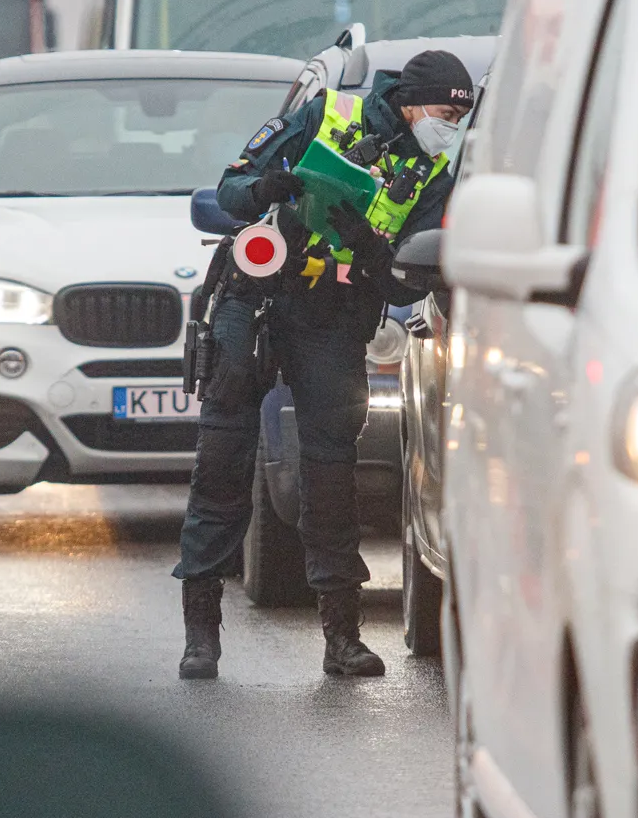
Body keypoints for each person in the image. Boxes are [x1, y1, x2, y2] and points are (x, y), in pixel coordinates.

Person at [172, 50, 475, 680]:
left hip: (334, 316)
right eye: (445, 112)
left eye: (458, 117)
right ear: (412, 100)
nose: (448, 126)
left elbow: (403, 288)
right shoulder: (327, 114)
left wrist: (370, 248)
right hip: (256, 298)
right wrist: (268, 189)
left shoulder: (435, 174)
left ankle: (343, 638)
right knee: (222, 461)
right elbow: (230, 188)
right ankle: (201, 635)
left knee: (331, 479)